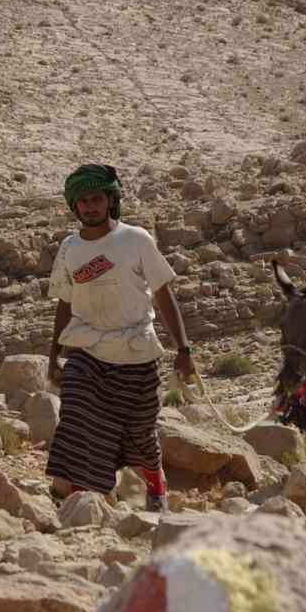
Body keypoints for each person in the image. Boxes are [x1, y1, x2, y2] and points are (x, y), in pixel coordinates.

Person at [45, 164, 195, 512]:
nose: (89, 206)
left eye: (96, 198)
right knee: (78, 416)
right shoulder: (69, 249)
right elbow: (64, 303)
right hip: (88, 350)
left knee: (140, 434)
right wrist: (53, 355)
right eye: (82, 201)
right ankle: (80, 498)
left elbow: (163, 294)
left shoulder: (136, 239)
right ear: (74, 206)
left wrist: (183, 348)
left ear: (111, 200)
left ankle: (156, 483)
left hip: (136, 352)